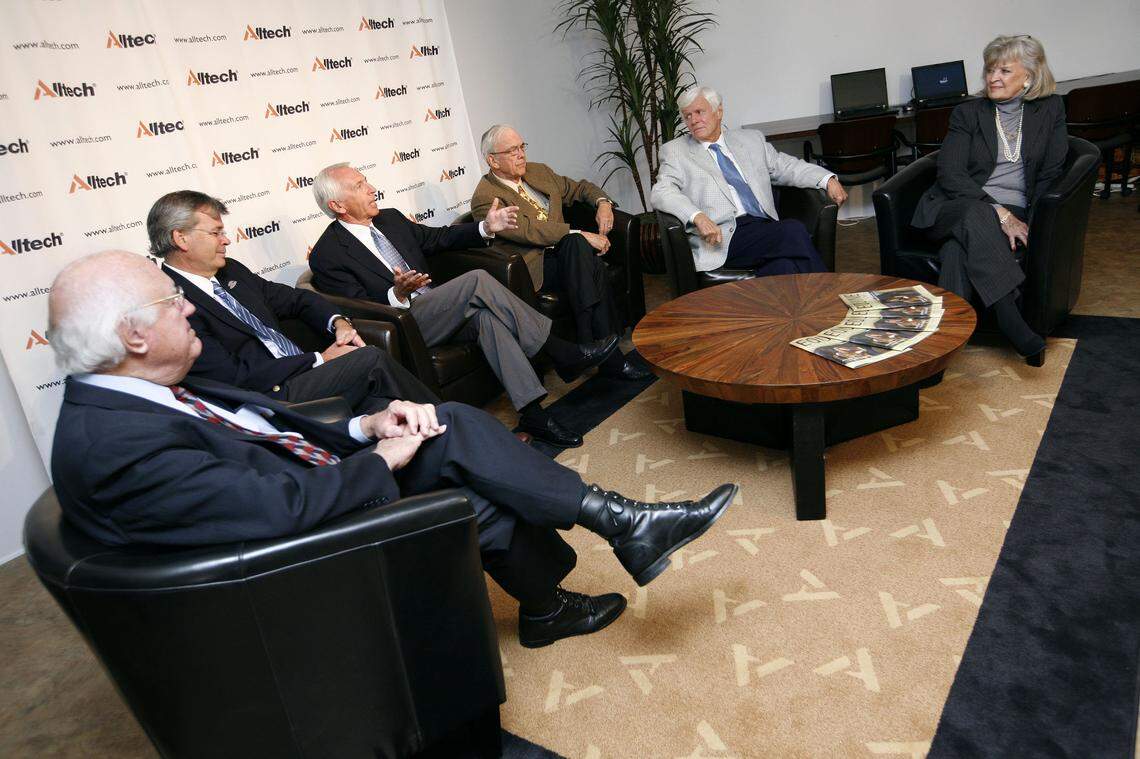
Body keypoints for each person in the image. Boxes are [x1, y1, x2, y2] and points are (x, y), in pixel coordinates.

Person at [47, 251, 737, 648]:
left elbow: (274, 433)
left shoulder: (147, 392)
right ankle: (609, 540)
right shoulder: (116, 445)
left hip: (323, 479)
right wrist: (379, 464)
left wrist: (368, 428)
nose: (190, 307)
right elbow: (276, 512)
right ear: (134, 336)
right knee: (470, 480)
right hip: (302, 553)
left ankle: (606, 540)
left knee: (449, 423)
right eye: (172, 302)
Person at [308, 163, 620, 448]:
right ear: (338, 205)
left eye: (367, 181)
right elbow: (358, 310)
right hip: (403, 324)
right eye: (361, 186)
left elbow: (439, 238)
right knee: (476, 281)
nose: (371, 188)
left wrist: (486, 227)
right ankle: (560, 350)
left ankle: (532, 413)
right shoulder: (329, 253)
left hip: (439, 309)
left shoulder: (389, 219)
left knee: (487, 319)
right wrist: (397, 294)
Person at [147, 190, 435, 415]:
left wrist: (339, 322)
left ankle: (437, 424)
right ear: (181, 238)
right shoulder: (172, 303)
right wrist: (320, 359)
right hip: (270, 397)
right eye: (215, 233)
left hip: (303, 374)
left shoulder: (231, 271)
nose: (226, 241)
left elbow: (297, 299)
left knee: (395, 412)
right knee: (370, 358)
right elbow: (233, 377)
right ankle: (439, 416)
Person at [911, 35, 1067, 364]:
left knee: (956, 251)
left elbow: (1051, 172)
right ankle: (1011, 319)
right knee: (977, 213)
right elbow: (950, 174)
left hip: (1011, 209)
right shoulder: (968, 113)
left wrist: (1034, 222)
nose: (993, 78)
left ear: (1029, 75)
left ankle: (940, 350)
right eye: (989, 70)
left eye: (1004, 71)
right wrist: (997, 212)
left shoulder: (1050, 108)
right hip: (951, 207)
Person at [470, 124, 649, 381]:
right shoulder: (486, 197)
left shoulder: (539, 172)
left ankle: (588, 348)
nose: (521, 154)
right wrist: (580, 233)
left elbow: (579, 188)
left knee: (583, 256)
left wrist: (603, 203)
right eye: (512, 151)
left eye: (522, 147)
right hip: (536, 265)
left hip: (569, 257)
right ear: (492, 160)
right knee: (579, 247)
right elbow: (528, 231)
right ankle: (611, 359)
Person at [651, 85, 848, 276]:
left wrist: (827, 179)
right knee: (793, 230)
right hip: (722, 238)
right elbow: (662, 191)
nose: (693, 120)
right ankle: (830, 296)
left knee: (783, 267)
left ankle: (799, 308)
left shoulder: (751, 140)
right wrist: (697, 216)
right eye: (688, 116)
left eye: (699, 112)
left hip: (763, 227)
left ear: (718, 111)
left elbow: (786, 166)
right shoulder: (676, 151)